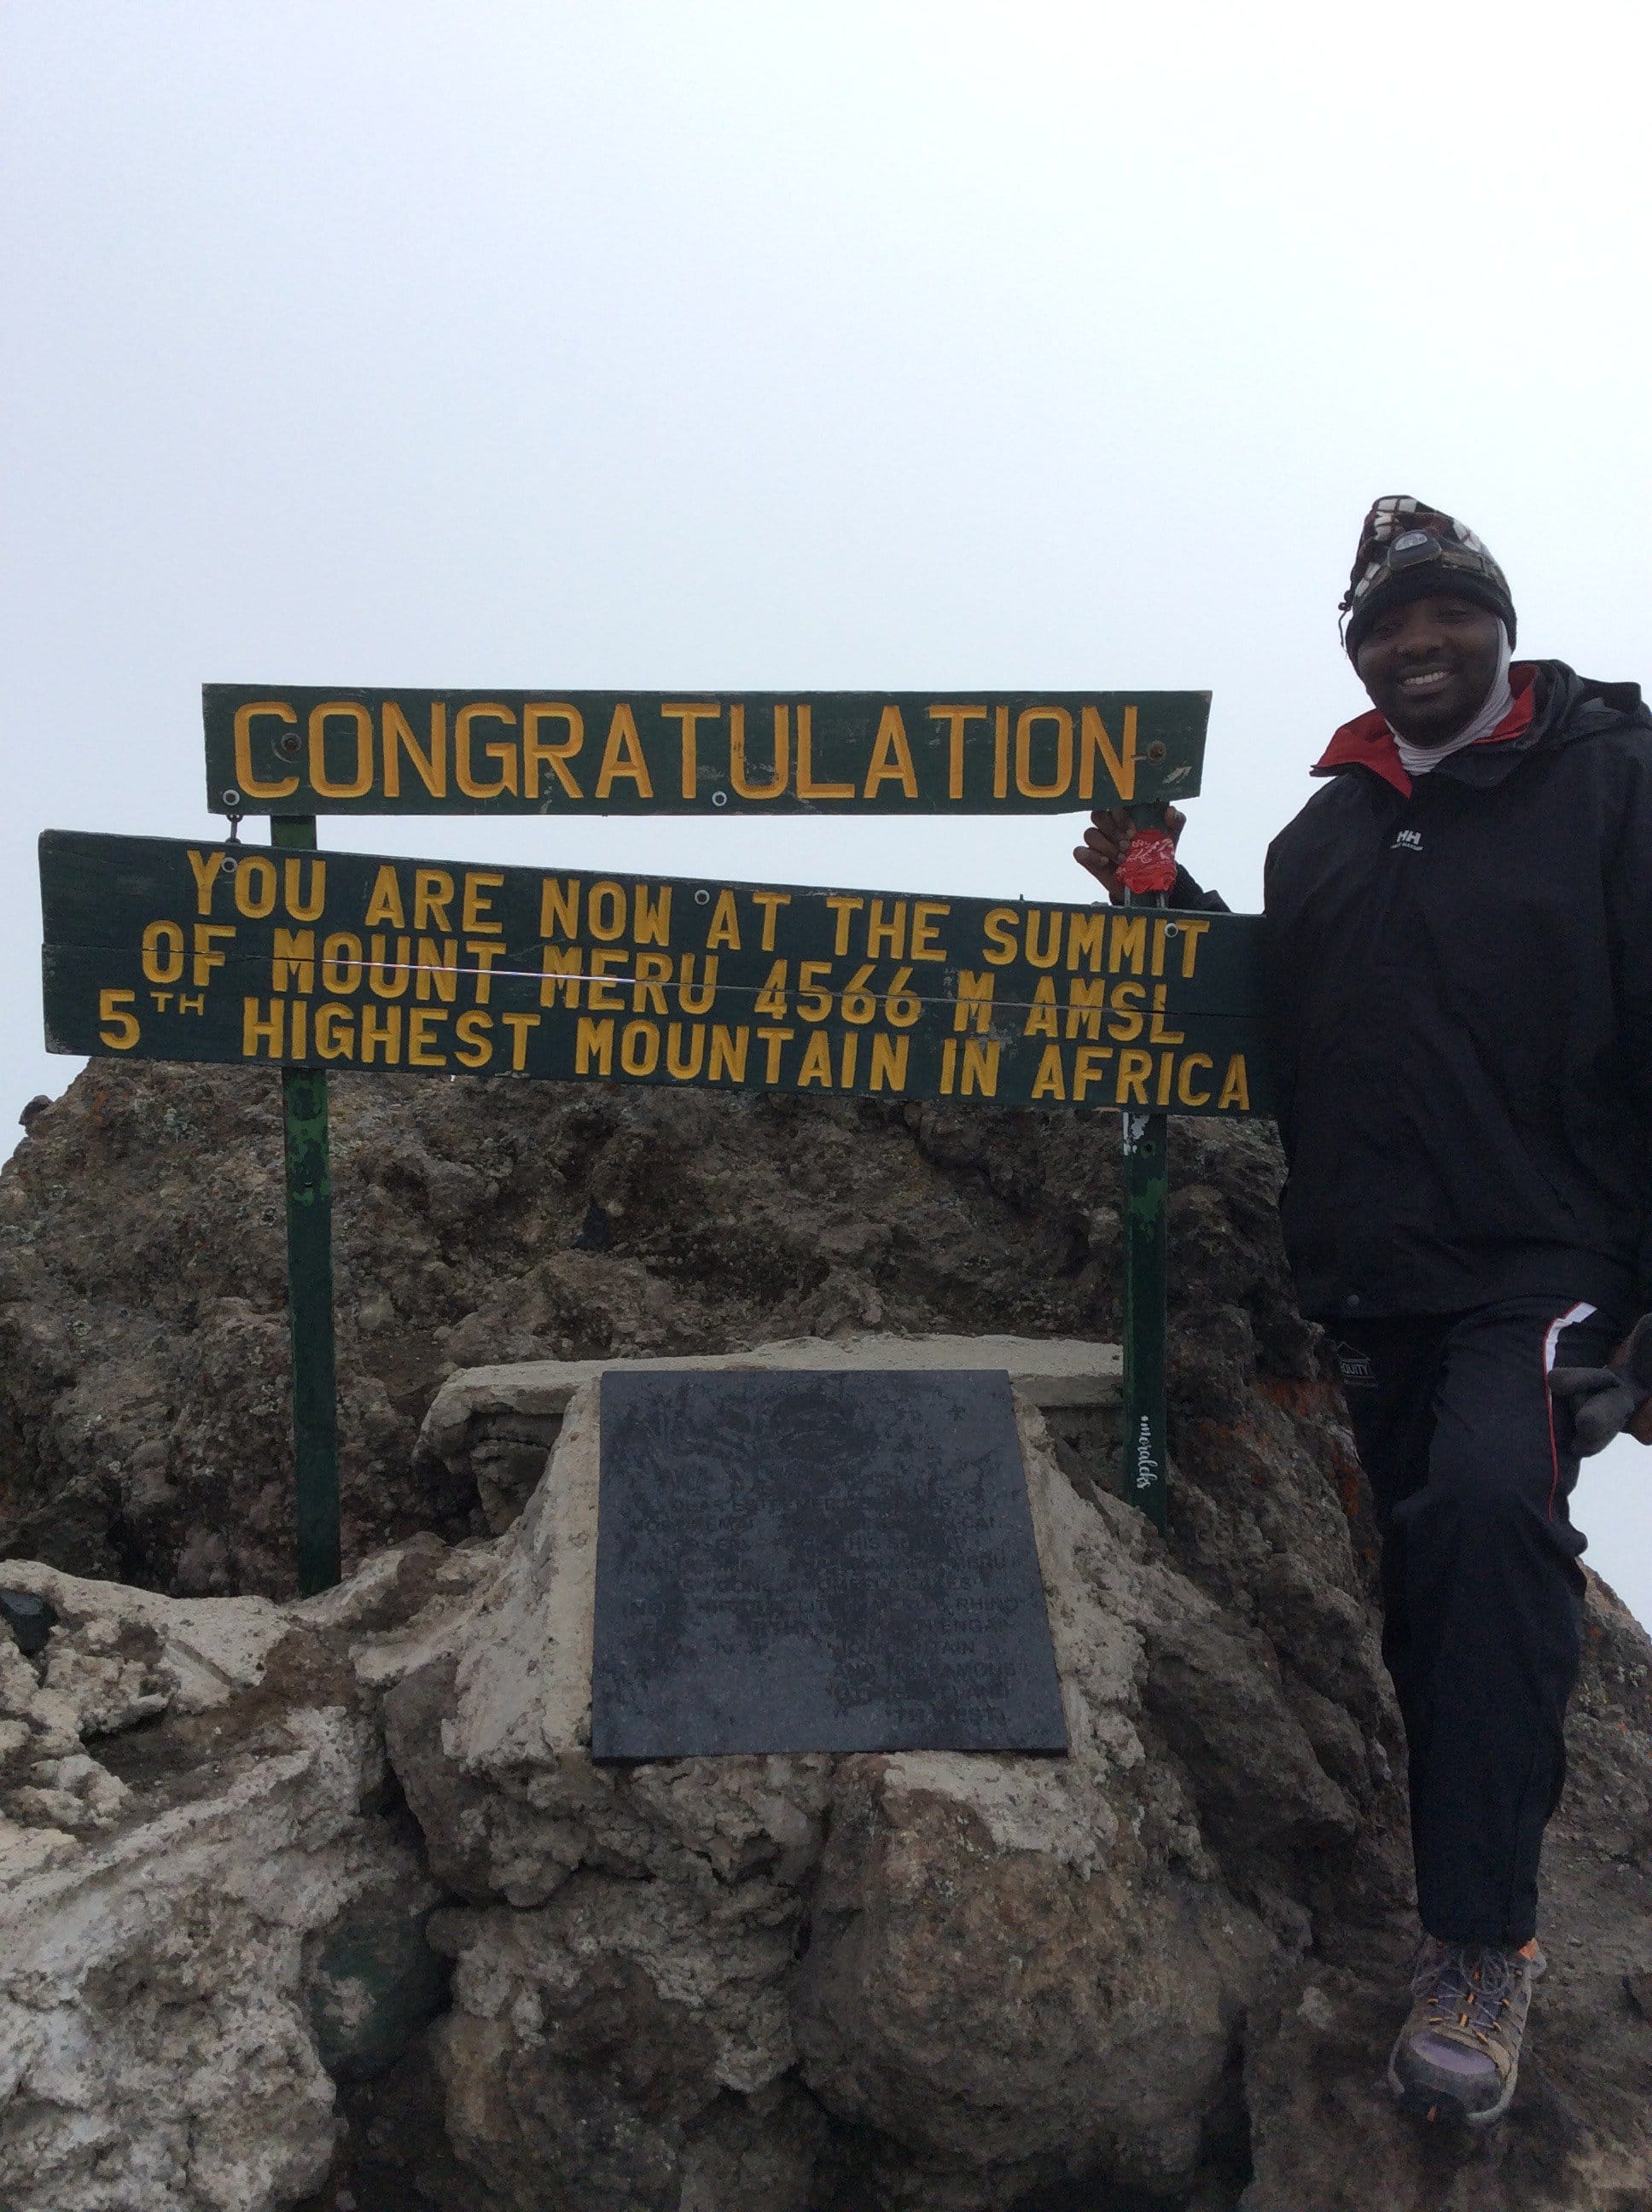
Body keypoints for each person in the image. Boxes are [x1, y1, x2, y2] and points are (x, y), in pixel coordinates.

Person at [1074, 495, 1652, 2128]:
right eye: (1383, 625)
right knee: (1429, 1590)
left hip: (1546, 1278)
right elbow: (1288, 1040)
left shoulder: (1614, 777)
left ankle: (1480, 1948)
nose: (1414, 643)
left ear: (1498, 621)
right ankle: (1466, 1858)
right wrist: (1167, 921)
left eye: (1443, 613)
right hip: (1365, 1295)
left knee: (1485, 1512)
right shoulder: (1321, 839)